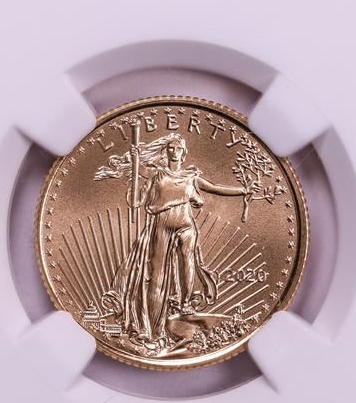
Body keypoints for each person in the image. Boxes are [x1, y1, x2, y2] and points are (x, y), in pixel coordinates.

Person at [100, 134, 252, 351]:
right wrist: (134, 161)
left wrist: (242, 191)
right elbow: (136, 195)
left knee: (187, 264)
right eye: (170, 148)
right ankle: (152, 323)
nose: (173, 151)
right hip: (161, 226)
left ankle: (185, 304)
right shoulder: (156, 174)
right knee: (157, 275)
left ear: (184, 152)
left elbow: (216, 188)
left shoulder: (191, 177)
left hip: (186, 225)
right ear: (166, 151)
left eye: (178, 148)